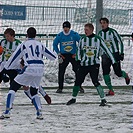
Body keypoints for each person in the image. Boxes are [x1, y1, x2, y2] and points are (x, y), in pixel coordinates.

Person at [0, 27, 56, 120]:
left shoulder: (24, 44)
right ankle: (39, 113)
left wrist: (6, 67)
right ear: (35, 35)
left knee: (13, 87)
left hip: (29, 67)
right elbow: (52, 57)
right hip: (40, 69)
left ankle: (7, 111)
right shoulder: (40, 44)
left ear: (27, 35)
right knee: (34, 91)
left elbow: (15, 57)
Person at [66, 23, 116, 106]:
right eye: (84, 29)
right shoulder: (83, 39)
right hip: (84, 64)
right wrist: (78, 60)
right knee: (78, 81)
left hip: (94, 64)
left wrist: (113, 60)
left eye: (87, 30)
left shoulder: (98, 39)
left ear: (92, 30)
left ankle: (103, 100)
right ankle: (73, 98)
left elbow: (107, 50)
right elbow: (79, 50)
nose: (85, 31)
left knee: (95, 81)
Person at [98, 17, 130, 96]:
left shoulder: (113, 32)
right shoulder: (99, 34)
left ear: (107, 24)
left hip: (114, 54)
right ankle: (110, 90)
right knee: (105, 73)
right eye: (101, 23)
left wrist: (121, 53)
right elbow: (99, 45)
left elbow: (120, 42)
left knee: (118, 73)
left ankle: (125, 75)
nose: (102, 25)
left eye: (104, 23)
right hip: (105, 56)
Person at [53, 21, 84, 93]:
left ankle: (79, 85)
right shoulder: (60, 36)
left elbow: (81, 43)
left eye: (67, 27)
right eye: (64, 27)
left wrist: (77, 53)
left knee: (77, 70)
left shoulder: (74, 34)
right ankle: (60, 87)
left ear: (69, 28)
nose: (65, 29)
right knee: (61, 71)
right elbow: (54, 44)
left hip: (73, 55)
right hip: (64, 55)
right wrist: (59, 53)